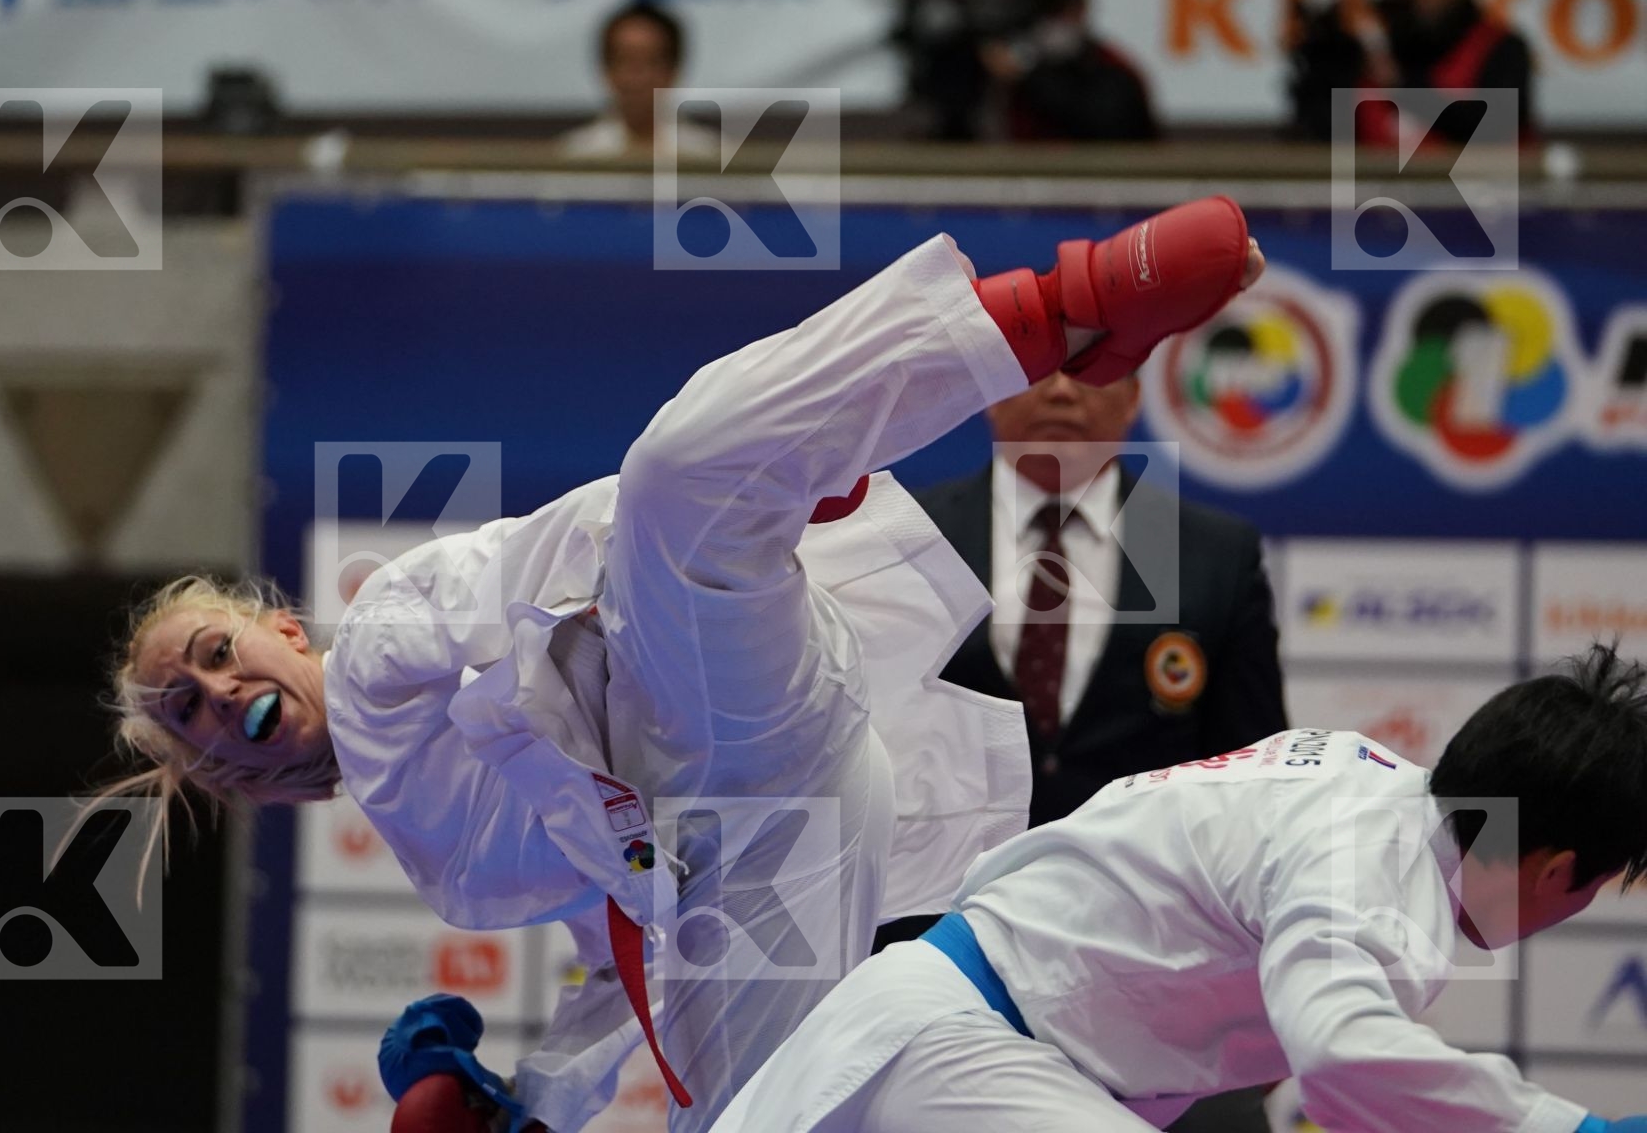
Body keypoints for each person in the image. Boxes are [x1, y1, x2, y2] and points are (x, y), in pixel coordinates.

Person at [109, 197, 1263, 1131]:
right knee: (752, 1117)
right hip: (759, 857)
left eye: (212, 655)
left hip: (711, 693)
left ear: (284, 629)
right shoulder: (455, 868)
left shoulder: (380, 653)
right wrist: (532, 1097)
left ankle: (1062, 309)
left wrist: (766, 512)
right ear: (231, 778)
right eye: (192, 713)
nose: (215, 691)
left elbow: (548, 557)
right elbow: (621, 950)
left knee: (677, 474)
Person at [711, 643, 1647, 1133]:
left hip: (959, 1035)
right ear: (1555, 869)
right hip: (965, 1044)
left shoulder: (1374, 787)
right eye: (1591, 888)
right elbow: (1342, 1053)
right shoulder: (1372, 875)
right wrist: (1574, 1128)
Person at [874, 368, 1287, 1133]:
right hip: (934, 974)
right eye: (1038, 368)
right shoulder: (903, 540)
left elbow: (1257, 797)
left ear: (1134, 396)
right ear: (989, 386)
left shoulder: (1207, 554)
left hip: (1156, 989)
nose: (1063, 391)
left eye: (1096, 369)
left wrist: (1263, 1011)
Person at [1286, 0, 1535, 144]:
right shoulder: (1365, 47)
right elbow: (1321, 135)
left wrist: (1400, 85)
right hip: (1374, 199)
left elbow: (1494, 129)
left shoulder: (1501, 48)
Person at [981, 0, 1158, 142]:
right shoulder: (999, 66)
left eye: (1054, 7)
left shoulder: (1113, 68)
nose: (1045, 21)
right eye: (1034, 9)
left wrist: (1028, 74)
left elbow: (1106, 127)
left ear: (1081, 6)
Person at [560, 0, 717, 161]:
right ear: (606, 69)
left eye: (650, 62)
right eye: (624, 61)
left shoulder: (706, 155)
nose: (637, 79)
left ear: (673, 70)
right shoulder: (577, 155)